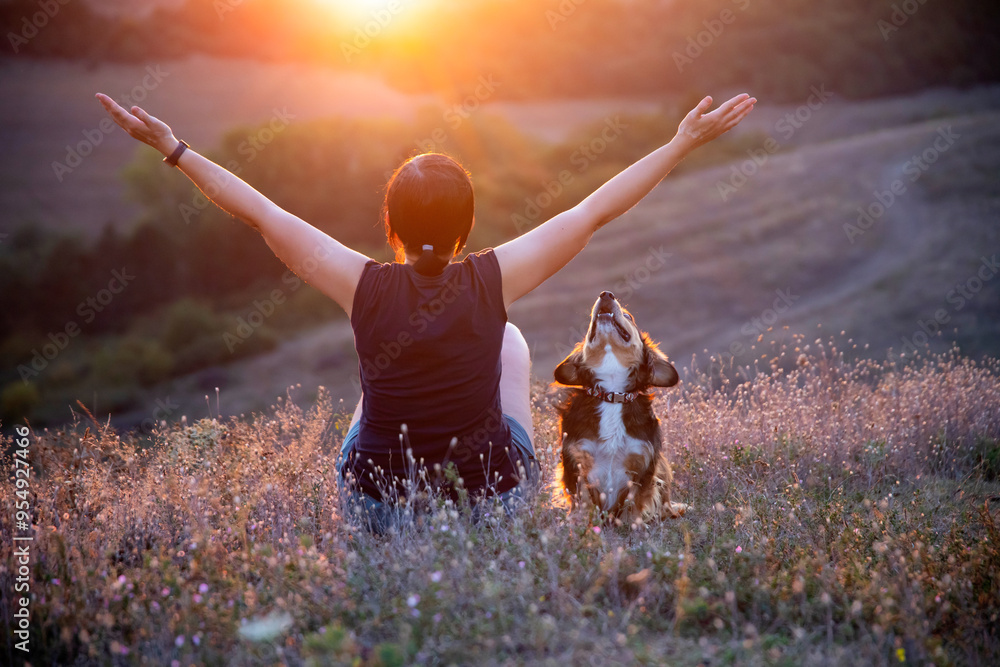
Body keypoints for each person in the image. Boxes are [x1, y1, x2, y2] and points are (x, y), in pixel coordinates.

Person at [96, 91, 756, 531]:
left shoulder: (361, 284)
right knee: (512, 342)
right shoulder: (493, 278)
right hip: (488, 502)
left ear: (392, 224)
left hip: (373, 507)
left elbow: (260, 211)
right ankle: (494, 469)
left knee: (371, 381)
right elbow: (594, 210)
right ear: (467, 223)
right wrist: (680, 144)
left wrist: (174, 149)